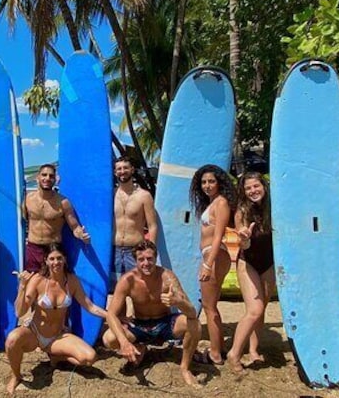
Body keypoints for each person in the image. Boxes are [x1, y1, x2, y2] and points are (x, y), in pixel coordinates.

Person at [4, 243, 106, 394]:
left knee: (89, 358)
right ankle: (16, 376)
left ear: (65, 259)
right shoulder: (38, 280)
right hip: (36, 334)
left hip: (57, 337)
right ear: (45, 260)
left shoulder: (71, 281)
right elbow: (19, 312)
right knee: (12, 340)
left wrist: (110, 315)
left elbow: (90, 306)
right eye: (51, 259)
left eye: (59, 258)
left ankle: (57, 358)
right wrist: (22, 287)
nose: (56, 262)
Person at [102, 240, 201, 387]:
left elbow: (192, 312)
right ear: (135, 261)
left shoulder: (167, 277)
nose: (146, 263)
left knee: (195, 324)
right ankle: (140, 347)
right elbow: (111, 314)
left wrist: (178, 301)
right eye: (141, 259)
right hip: (140, 325)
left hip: (165, 323)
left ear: (156, 258)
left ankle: (185, 368)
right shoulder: (127, 280)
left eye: (150, 258)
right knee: (109, 338)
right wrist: (124, 343)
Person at [227, 172, 275, 373]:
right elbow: (243, 245)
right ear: (243, 192)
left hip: (270, 264)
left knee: (261, 309)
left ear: (263, 186)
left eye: (256, 186)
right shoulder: (242, 212)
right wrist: (244, 238)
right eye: (248, 188)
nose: (253, 191)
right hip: (248, 262)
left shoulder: (274, 206)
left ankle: (253, 350)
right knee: (254, 310)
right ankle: (234, 353)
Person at [190, 164, 234, 366]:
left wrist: (207, 264)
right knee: (212, 306)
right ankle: (219, 347)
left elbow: (218, 236)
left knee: (209, 307)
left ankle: (215, 354)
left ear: (219, 183)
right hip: (212, 255)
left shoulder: (221, 202)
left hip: (214, 256)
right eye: (204, 182)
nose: (207, 185)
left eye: (211, 181)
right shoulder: (212, 203)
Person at [22, 164, 89, 272]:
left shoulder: (63, 202)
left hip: (53, 249)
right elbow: (22, 218)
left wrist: (82, 235)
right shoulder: (27, 199)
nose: (47, 178)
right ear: (37, 177)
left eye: (51, 176)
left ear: (55, 180)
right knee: (31, 282)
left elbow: (75, 226)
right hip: (33, 248)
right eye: (44, 175)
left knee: (54, 285)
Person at [113, 156, 158, 278]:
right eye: (119, 169)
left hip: (135, 250)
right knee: (115, 290)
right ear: (115, 172)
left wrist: (150, 251)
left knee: (137, 288)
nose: (122, 171)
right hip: (114, 250)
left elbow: (152, 225)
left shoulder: (144, 196)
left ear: (132, 170)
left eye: (125, 168)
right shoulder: (112, 194)